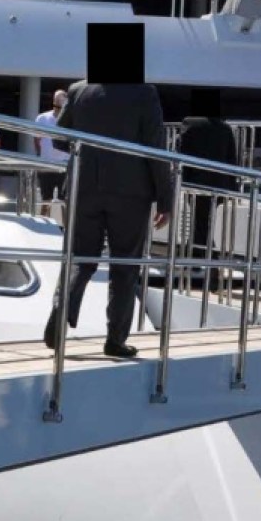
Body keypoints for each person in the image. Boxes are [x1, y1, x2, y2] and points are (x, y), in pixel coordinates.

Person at [43, 80, 172, 358]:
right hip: (130, 190)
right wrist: (166, 197)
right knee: (125, 265)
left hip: (83, 185)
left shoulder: (79, 89)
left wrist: (92, 152)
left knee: (80, 256)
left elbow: (59, 137)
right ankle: (115, 340)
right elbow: (155, 144)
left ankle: (60, 309)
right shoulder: (144, 92)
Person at [176, 88, 238, 287]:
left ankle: (204, 261)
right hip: (220, 185)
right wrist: (232, 187)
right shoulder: (225, 128)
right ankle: (202, 259)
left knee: (200, 222)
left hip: (195, 183)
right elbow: (232, 159)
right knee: (210, 224)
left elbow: (181, 152)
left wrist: (181, 180)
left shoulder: (190, 122)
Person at [33, 89, 70, 207]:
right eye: (57, 103)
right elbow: (37, 139)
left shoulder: (70, 120)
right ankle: (44, 224)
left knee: (65, 201)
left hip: (64, 166)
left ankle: (66, 225)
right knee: (45, 199)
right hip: (46, 165)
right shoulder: (42, 118)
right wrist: (41, 156)